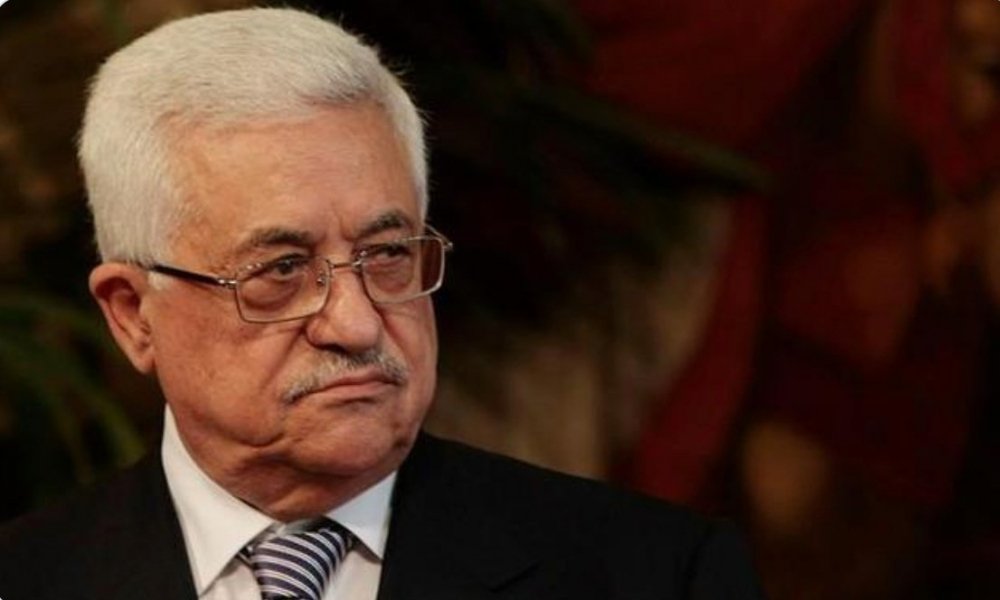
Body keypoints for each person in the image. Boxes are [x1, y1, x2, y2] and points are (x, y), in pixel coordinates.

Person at [0, 8, 763, 599]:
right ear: (133, 314)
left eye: (388, 255)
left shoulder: (658, 575)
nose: (357, 323)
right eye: (282, 270)